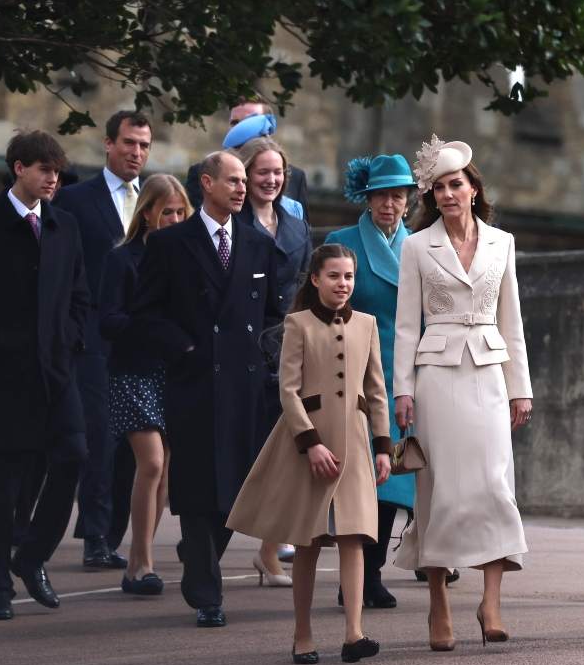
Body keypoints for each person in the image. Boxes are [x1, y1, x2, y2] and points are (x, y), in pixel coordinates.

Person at [128, 150, 282, 628]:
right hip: (192, 385)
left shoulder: (258, 244)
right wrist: (184, 350)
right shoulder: (170, 244)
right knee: (196, 487)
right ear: (208, 184)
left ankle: (200, 557)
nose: (242, 188)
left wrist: (265, 358)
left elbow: (275, 315)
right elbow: (145, 313)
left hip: (243, 387)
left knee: (235, 492)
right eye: (233, 180)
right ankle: (206, 593)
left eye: (244, 181)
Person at [392, 136, 533, 652]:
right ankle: (438, 601)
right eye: (440, 187)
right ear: (432, 195)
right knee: (442, 490)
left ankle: (491, 601)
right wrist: (402, 389)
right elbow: (407, 325)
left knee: (495, 485)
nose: (449, 194)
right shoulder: (415, 246)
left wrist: (522, 389)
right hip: (438, 377)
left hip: (490, 373)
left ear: (474, 188)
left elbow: (512, 320)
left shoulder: (503, 242)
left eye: (458, 184)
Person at [228, 244, 393, 665]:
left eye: (349, 277)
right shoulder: (297, 324)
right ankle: (303, 634)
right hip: (310, 446)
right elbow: (288, 391)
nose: (343, 284)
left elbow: (375, 391)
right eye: (334, 276)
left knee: (354, 536)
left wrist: (382, 446)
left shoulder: (368, 324)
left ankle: (354, 633)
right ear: (316, 279)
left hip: (355, 444)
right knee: (310, 541)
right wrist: (311, 442)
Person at [0, 131, 89, 621]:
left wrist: (70, 338)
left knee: (73, 457)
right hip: (5, 375)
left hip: (57, 372)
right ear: (18, 169)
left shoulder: (64, 226)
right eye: (43, 169)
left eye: (56, 170)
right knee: (4, 482)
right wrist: (0, 342)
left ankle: (31, 558)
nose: (53, 178)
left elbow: (79, 294)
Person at [55, 110, 153, 571]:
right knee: (97, 438)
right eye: (129, 143)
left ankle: (114, 535)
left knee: (135, 447)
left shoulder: (155, 202)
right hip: (91, 338)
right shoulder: (76, 200)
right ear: (108, 144)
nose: (136, 152)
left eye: (144, 146)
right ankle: (94, 533)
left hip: (138, 341)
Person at [324, 153, 418, 608]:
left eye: (397, 196)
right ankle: (354, 576)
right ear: (367, 197)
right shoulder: (342, 242)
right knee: (360, 478)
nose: (388, 204)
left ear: (408, 202)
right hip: (355, 369)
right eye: (381, 195)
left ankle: (371, 571)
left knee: (395, 478)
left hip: (403, 372)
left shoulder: (418, 246)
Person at [100, 175, 193, 595]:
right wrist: (152, 329)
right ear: (147, 213)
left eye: (180, 212)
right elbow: (109, 320)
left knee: (167, 469)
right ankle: (141, 561)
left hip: (171, 371)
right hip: (134, 370)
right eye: (166, 211)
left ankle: (141, 559)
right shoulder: (123, 260)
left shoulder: (188, 259)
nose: (173, 219)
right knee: (151, 462)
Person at [234, 135, 312, 587]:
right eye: (262, 172)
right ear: (246, 175)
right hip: (242, 346)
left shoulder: (296, 227)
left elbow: (305, 284)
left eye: (277, 172)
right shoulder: (234, 222)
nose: (271, 180)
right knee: (243, 450)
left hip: (286, 347)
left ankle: (268, 551)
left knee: (285, 451)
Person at [185, 97, 309, 216]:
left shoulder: (295, 178)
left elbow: (302, 233)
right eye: (234, 123)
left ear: (267, 129)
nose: (239, 129)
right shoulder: (203, 172)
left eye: (250, 122)